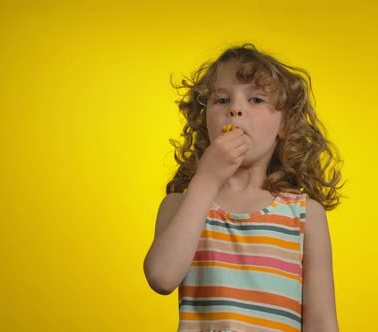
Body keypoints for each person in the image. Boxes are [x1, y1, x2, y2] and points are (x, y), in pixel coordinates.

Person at [144, 43, 345, 332]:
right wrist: (207, 179)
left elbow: (322, 322)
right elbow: (161, 277)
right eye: (222, 100)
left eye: (256, 100)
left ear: (285, 125)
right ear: (205, 120)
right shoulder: (181, 206)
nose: (236, 109)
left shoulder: (305, 216)